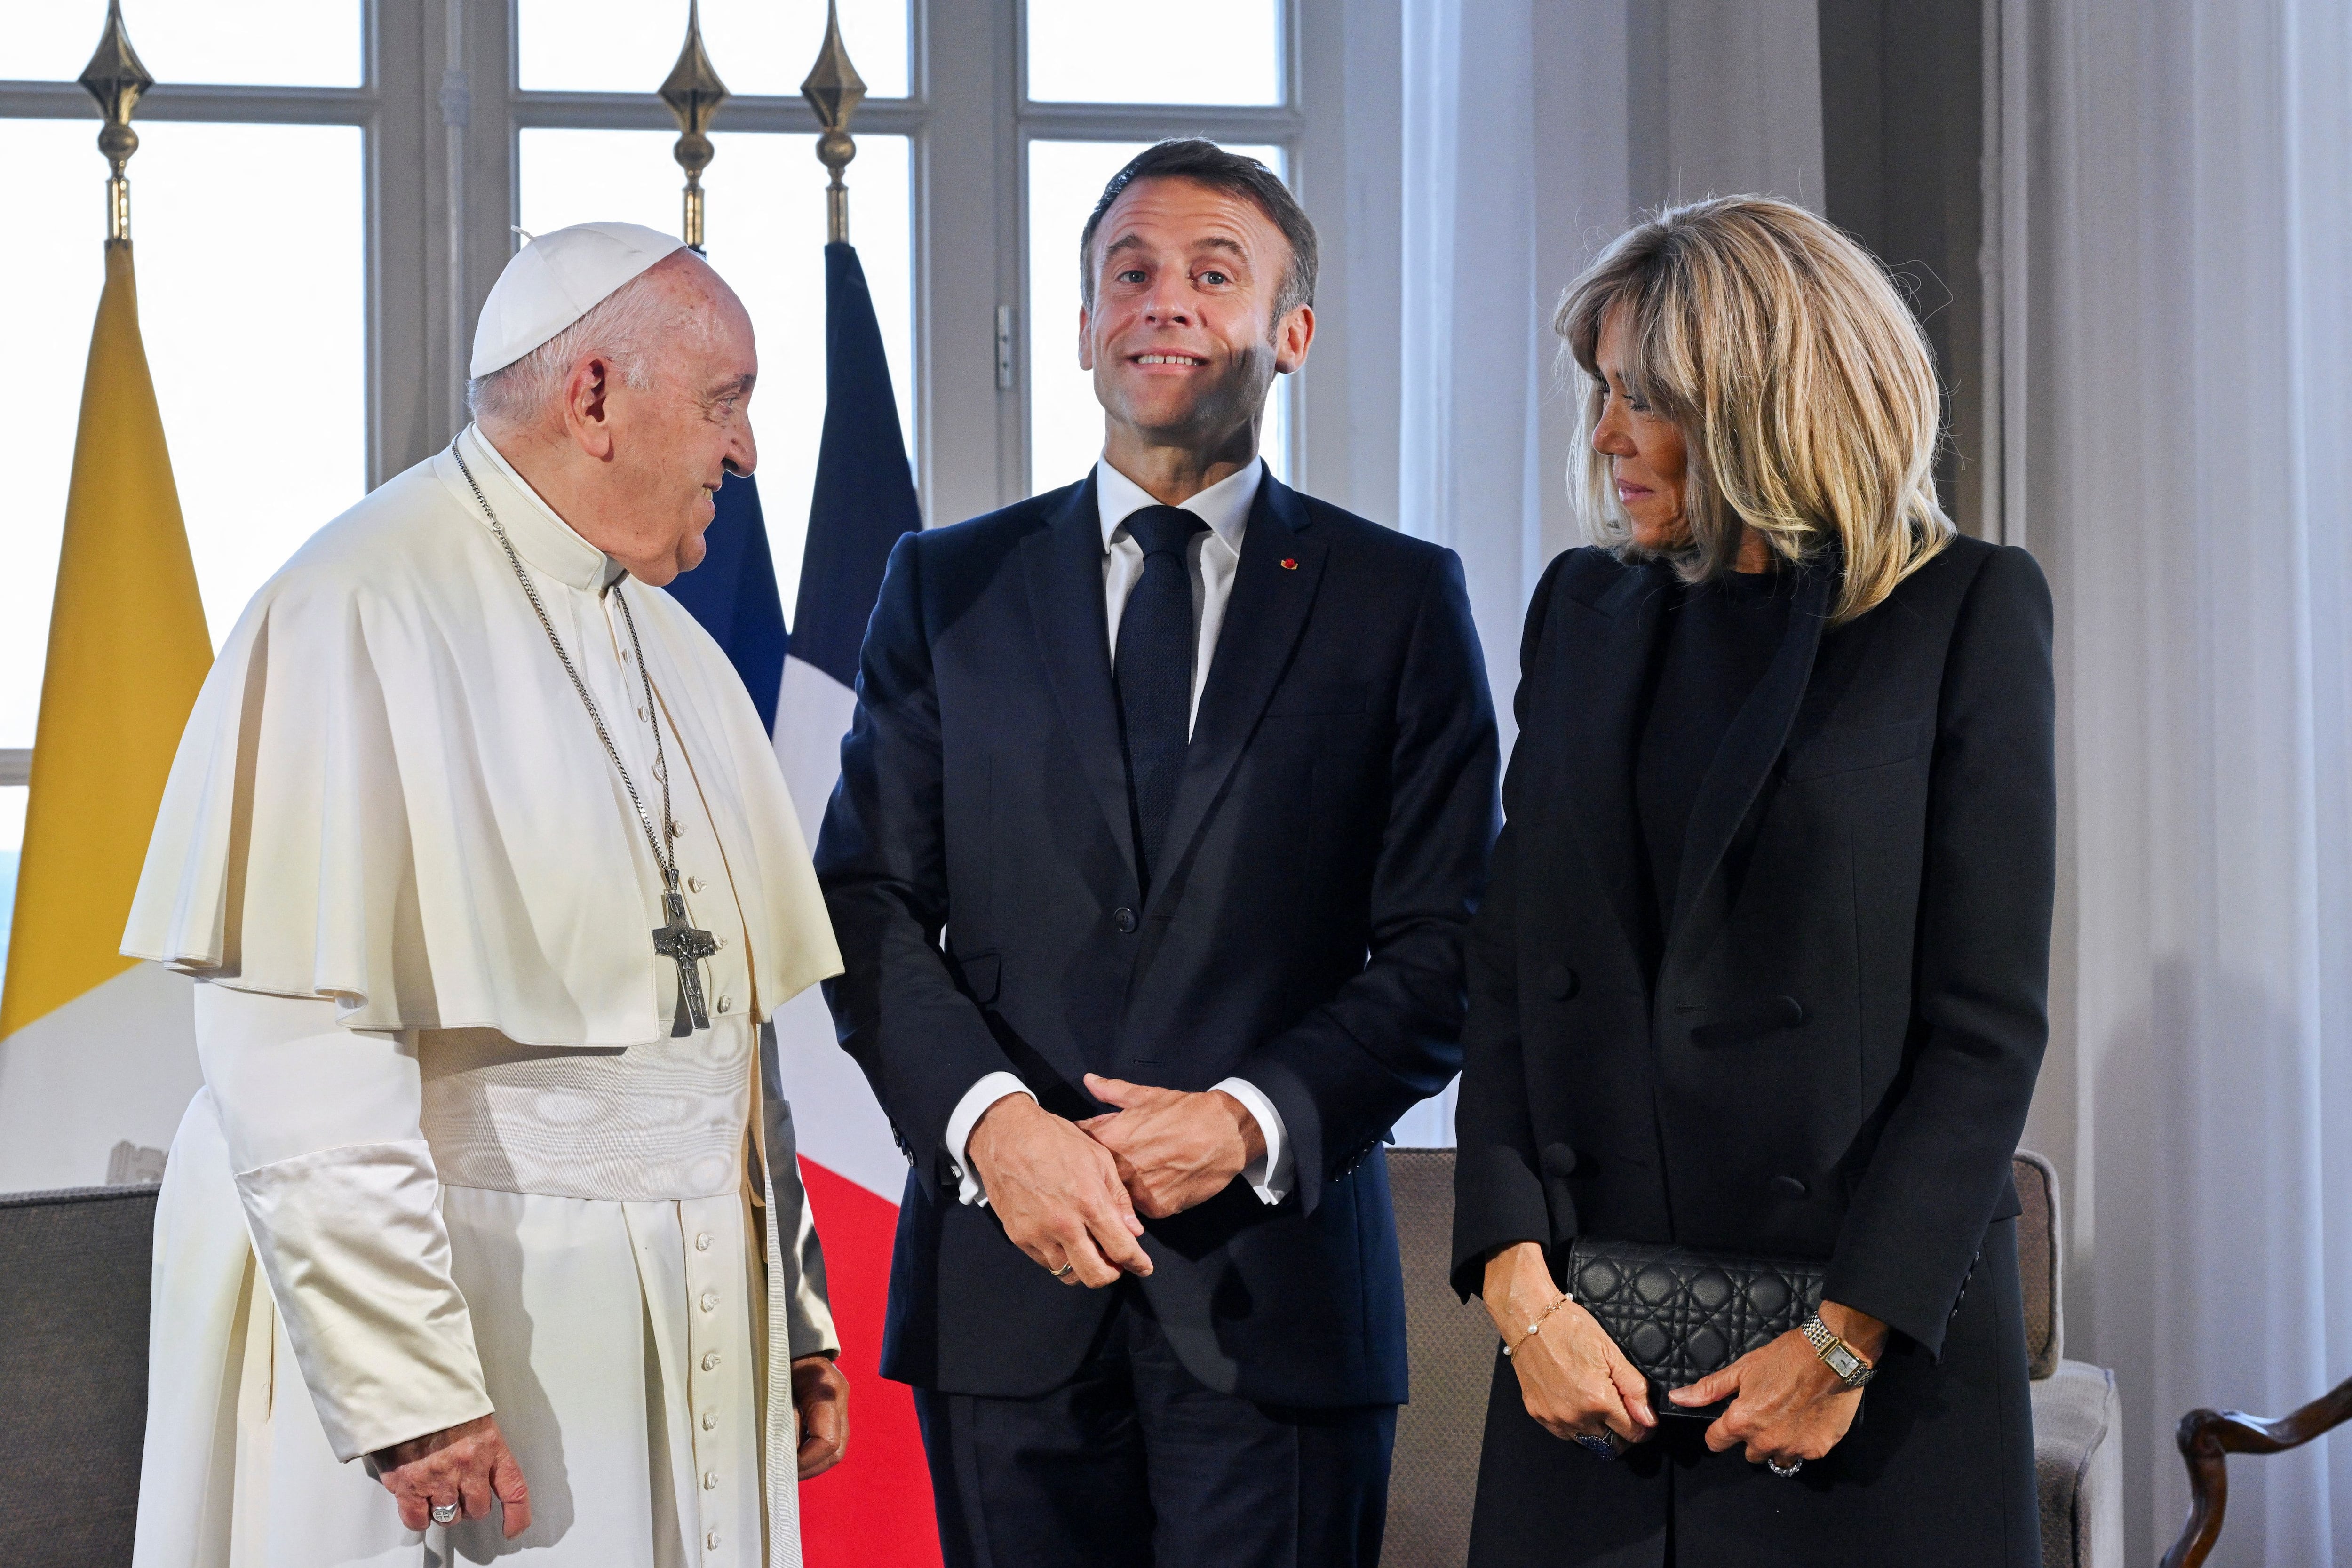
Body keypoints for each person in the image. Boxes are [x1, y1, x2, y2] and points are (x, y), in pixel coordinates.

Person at [124, 222, 851, 1568]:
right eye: (725, 402)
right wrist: (410, 1391)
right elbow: (293, 1053)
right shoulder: (354, 606)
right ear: (592, 398)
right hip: (473, 1306)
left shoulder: (674, 647)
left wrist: (789, 1307)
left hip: (682, 1308)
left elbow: (724, 1032)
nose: (746, 451)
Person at [815, 140, 1498, 1567]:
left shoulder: (1399, 601)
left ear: (1290, 333)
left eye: (1212, 273)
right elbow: (867, 897)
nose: (1163, 302)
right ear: (1082, 329)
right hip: (1004, 1296)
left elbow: (1451, 946)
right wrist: (999, 1128)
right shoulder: (943, 585)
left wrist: (1248, 1118)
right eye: (1130, 272)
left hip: (1280, 1309)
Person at [1449, 195, 2053, 1566]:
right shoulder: (1580, 611)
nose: (1604, 435)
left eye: (1643, 399)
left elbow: (1987, 1027)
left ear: (1763, 398)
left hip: (1863, 1382)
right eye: (1603, 392)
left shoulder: (1966, 610)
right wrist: (1517, 1291)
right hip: (1588, 1371)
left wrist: (1842, 1348)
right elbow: (1505, 977)